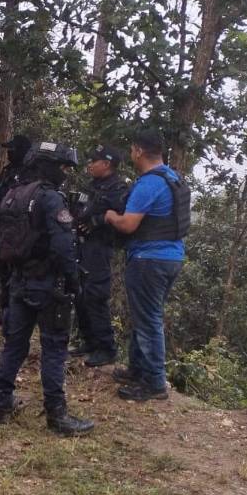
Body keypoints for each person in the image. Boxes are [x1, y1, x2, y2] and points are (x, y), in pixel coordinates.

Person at [0, 142, 95, 436]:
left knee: (15, 344)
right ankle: (57, 415)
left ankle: (2, 402)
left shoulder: (12, 195)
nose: (64, 173)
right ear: (47, 166)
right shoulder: (50, 199)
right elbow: (63, 247)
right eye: (61, 167)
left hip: (19, 282)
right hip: (48, 286)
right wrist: (74, 282)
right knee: (54, 348)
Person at [103, 128, 191, 401]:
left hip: (148, 259)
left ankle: (154, 383)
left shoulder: (148, 184)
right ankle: (137, 369)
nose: (131, 154)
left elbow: (128, 224)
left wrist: (110, 217)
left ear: (139, 151)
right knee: (145, 315)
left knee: (149, 319)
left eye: (132, 150)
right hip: (171, 257)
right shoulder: (173, 178)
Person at [70, 145, 131, 367]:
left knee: (96, 295)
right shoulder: (91, 185)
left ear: (106, 164)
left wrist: (95, 222)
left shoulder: (119, 188)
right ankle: (89, 341)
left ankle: (106, 348)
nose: (89, 164)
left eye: (94, 161)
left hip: (100, 248)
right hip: (81, 246)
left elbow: (120, 217)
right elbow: (79, 209)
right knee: (79, 293)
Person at [0, 135, 32, 328]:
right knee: (2, 272)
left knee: (16, 274)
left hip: (15, 232)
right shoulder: (7, 171)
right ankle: (4, 313)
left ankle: (16, 316)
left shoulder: (28, 174)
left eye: (13, 149)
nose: (9, 153)